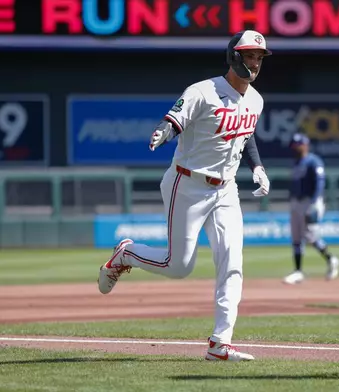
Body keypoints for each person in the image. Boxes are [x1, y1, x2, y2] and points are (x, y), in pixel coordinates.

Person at [97, 30, 273, 362]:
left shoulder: (256, 99)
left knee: (232, 263)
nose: (255, 62)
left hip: (226, 189)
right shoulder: (203, 91)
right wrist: (164, 131)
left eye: (260, 57)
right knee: (178, 266)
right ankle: (126, 254)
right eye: (250, 55)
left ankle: (220, 343)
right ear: (234, 56)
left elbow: (245, 135)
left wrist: (258, 167)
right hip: (187, 184)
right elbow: (175, 119)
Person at [283, 133, 339, 284]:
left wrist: (314, 203)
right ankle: (298, 271)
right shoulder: (296, 163)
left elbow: (320, 183)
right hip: (296, 202)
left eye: (298, 145)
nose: (295, 148)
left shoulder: (313, 161)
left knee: (310, 236)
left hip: (310, 202)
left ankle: (331, 259)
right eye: (294, 145)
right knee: (296, 236)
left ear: (305, 145)